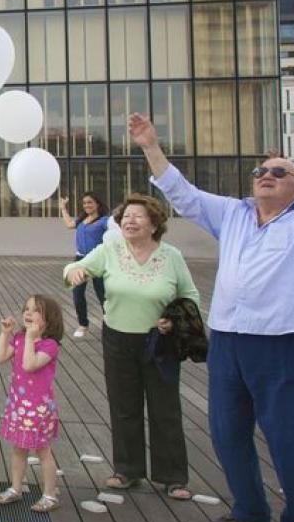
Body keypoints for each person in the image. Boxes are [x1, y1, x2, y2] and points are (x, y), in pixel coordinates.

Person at [128, 88, 294, 522]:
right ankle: (250, 508)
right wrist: (151, 146)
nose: (266, 175)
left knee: (293, 438)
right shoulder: (232, 214)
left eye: (279, 172)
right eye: (261, 171)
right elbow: (182, 193)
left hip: (286, 341)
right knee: (227, 433)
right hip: (229, 339)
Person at [65, 194, 203, 501]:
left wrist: (173, 318)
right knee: (123, 405)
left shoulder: (171, 256)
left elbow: (191, 295)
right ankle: (127, 470)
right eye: (125, 216)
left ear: (154, 224)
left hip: (159, 341)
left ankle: (173, 477)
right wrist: (75, 272)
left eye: (138, 216)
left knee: (164, 407)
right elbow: (72, 269)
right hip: (118, 338)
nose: (129, 220)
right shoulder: (110, 249)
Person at [0, 294, 66, 513]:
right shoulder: (21, 338)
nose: (28, 313)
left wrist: (32, 339)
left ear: (48, 319)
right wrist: (5, 334)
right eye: (26, 308)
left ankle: (50, 495)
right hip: (18, 405)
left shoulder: (49, 345)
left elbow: (29, 365)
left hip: (39, 409)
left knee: (43, 451)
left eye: (35, 310)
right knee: (18, 449)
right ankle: (16, 488)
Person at [58, 193, 109, 338]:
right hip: (80, 260)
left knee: (103, 294)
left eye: (90, 203)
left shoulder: (105, 221)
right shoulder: (82, 220)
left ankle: (110, 323)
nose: (86, 205)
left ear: (97, 204)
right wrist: (63, 208)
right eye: (85, 203)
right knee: (77, 293)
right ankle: (83, 324)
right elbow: (69, 224)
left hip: (97, 261)